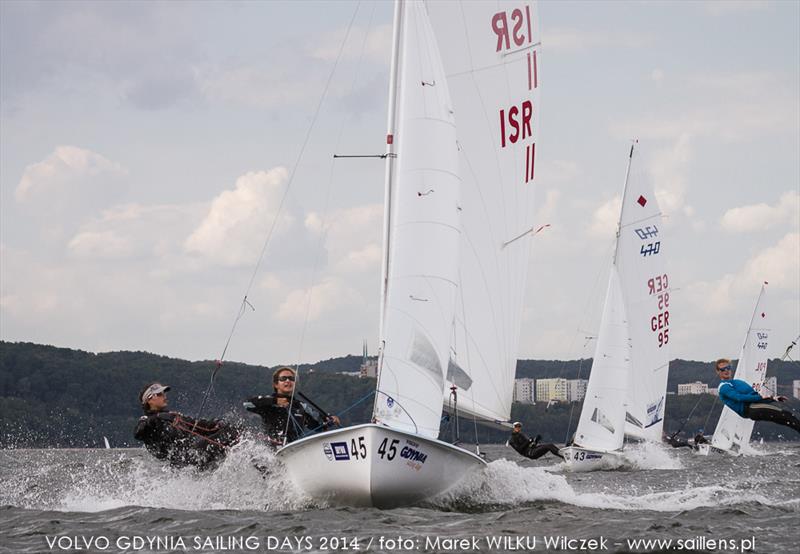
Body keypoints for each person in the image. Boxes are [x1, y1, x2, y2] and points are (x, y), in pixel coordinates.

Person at [134, 382, 240, 470]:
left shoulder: (173, 417)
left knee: (233, 429)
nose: (165, 397)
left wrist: (217, 423)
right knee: (230, 433)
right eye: (160, 394)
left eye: (164, 394)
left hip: (195, 456)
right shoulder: (146, 421)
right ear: (150, 399)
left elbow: (200, 426)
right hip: (187, 460)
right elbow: (138, 433)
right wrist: (157, 418)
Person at [244, 367, 340, 446]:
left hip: (294, 450)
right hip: (272, 451)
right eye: (283, 378)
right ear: (276, 384)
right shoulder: (269, 402)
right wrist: (276, 401)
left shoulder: (301, 406)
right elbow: (247, 404)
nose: (288, 381)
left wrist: (329, 421)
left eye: (291, 378)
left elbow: (318, 427)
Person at [715, 358, 800, 434]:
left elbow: (756, 398)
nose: (726, 371)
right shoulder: (724, 387)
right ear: (718, 372)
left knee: (786, 419)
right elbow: (739, 397)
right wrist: (760, 397)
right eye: (723, 369)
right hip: (751, 409)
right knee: (787, 416)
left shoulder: (737, 382)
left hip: (755, 407)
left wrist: (774, 399)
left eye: (728, 368)